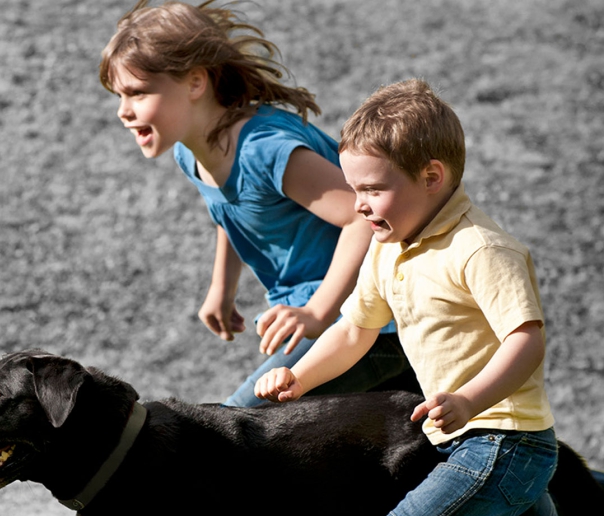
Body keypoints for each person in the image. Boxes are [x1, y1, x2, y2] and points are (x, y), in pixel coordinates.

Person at [254, 78, 579, 516]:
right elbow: (353, 330)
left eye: (373, 189)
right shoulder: (388, 250)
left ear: (431, 177)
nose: (359, 204)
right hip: (465, 439)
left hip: (504, 442)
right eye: (353, 189)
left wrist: (470, 400)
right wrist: (299, 379)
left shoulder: (480, 250)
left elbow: (526, 341)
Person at [99, 0, 416, 406]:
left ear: (196, 83)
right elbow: (230, 213)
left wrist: (317, 311)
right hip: (335, 319)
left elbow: (362, 218)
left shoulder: (265, 151)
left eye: (138, 93)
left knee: (241, 422)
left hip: (369, 324)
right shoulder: (192, 151)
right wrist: (222, 288)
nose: (124, 112)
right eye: (119, 96)